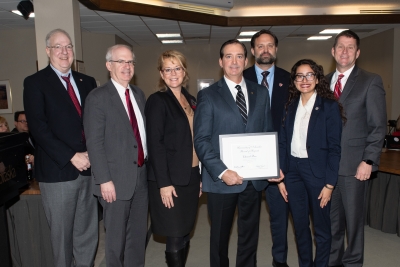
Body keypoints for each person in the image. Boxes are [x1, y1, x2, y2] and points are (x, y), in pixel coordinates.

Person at [194, 39, 283, 267]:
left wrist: (271, 166)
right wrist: (222, 171)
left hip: (253, 181)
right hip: (221, 181)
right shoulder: (208, 95)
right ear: (221, 61)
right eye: (229, 56)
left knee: (249, 236)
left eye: (239, 56)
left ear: (246, 60)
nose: (234, 61)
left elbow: (266, 132)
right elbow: (202, 140)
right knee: (219, 238)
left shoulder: (261, 93)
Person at [23, 28, 98, 267]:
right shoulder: (35, 83)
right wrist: (71, 156)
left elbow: (95, 123)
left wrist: (91, 155)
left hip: (88, 168)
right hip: (58, 171)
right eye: (58, 47)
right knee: (62, 236)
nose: (65, 52)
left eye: (68, 47)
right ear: (48, 51)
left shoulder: (88, 82)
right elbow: (39, 129)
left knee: (87, 233)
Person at [326, 30, 387, 267]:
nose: (344, 51)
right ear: (333, 51)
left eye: (350, 47)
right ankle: (333, 262)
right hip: (328, 168)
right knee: (331, 222)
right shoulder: (323, 81)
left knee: (353, 223)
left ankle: (352, 263)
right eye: (340, 46)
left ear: (357, 53)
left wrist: (369, 160)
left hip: (355, 167)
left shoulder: (371, 81)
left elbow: (378, 125)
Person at [84, 44, 148, 267]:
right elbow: (94, 142)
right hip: (114, 180)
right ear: (109, 65)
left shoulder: (139, 94)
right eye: (121, 61)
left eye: (130, 61)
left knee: (137, 238)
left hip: (140, 177)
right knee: (115, 241)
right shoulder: (98, 97)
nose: (127, 66)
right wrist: (103, 180)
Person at [277, 59, 343, 267]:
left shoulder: (329, 106)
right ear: (294, 80)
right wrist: (280, 176)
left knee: (321, 229)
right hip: (293, 172)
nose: (304, 80)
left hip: (318, 174)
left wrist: (330, 184)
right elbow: (283, 141)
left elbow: (335, 148)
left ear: (317, 78)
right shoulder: (290, 105)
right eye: (299, 76)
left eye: (309, 75)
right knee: (300, 226)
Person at [145, 50, 201, 266]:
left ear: (184, 71)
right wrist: (164, 183)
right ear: (161, 73)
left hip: (191, 175)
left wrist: (200, 175)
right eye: (167, 69)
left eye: (177, 68)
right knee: (175, 232)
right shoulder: (157, 101)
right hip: (169, 179)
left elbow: (196, 139)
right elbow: (155, 144)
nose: (173, 73)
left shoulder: (191, 99)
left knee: (185, 231)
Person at [243, 29, 290, 267]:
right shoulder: (239, 77)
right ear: (252, 51)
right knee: (248, 218)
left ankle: (279, 261)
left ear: (276, 50)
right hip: (247, 160)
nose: (265, 50)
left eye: (270, 45)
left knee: (279, 216)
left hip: (279, 160)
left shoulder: (289, 79)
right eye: (260, 46)